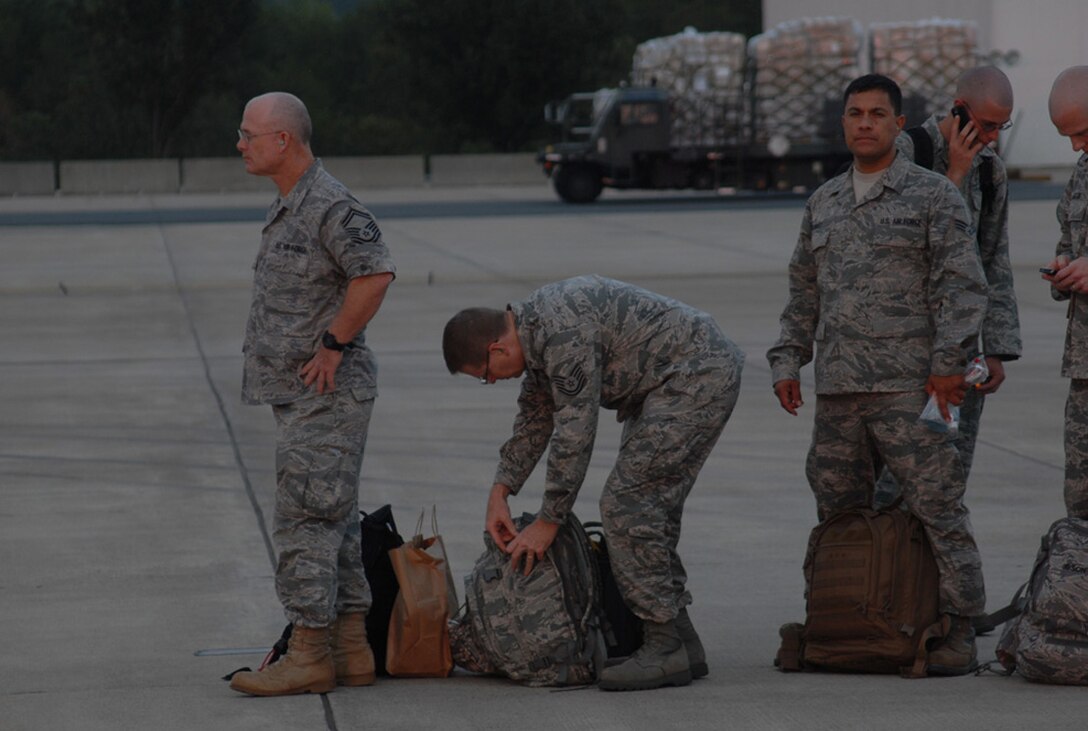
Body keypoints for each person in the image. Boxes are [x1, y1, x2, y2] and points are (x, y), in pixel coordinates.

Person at [766, 74, 989, 675]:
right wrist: (789, 361)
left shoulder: (932, 196)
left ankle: (959, 627)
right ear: (844, 124)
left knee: (938, 507)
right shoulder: (824, 203)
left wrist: (948, 369)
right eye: (855, 113)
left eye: (877, 114)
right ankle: (847, 618)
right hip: (839, 393)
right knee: (838, 512)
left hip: (914, 389)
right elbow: (802, 295)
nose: (865, 123)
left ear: (898, 125)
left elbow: (964, 288)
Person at [442, 275, 744, 691]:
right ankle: (681, 641)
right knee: (647, 513)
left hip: (695, 376)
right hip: (675, 381)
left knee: (626, 507)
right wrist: (500, 492)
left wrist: (549, 520)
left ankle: (664, 644)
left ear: (498, 348)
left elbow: (575, 433)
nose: (491, 382)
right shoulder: (536, 336)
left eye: (485, 375)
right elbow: (534, 421)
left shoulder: (560, 333)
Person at [227, 92, 396, 697]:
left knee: (303, 522)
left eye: (249, 134)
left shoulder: (329, 204)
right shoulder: (290, 204)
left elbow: (374, 273)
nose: (240, 143)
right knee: (336, 524)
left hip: (327, 395)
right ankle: (350, 650)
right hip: (302, 398)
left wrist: (333, 343)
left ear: (283, 142)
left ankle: (307, 652)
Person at [873, 66, 1022, 507]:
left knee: (947, 478)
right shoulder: (904, 152)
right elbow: (896, 246)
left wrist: (996, 346)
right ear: (959, 109)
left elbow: (994, 260)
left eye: (1001, 126)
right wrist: (953, 177)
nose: (993, 137)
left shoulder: (991, 171)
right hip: (901, 349)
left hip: (960, 347)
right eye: (987, 124)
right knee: (891, 482)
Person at [1043, 66, 1088, 519]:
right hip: (1084, 367)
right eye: (1067, 137)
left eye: (1082, 132)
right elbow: (1067, 245)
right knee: (1081, 506)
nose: (1076, 146)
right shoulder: (1082, 174)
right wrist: (1062, 269)